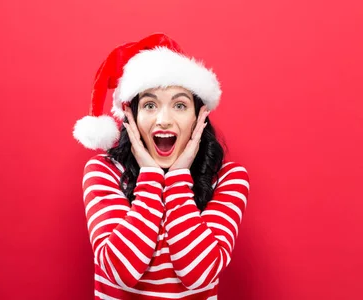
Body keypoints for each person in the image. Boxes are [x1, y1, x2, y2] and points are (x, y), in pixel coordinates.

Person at [73, 33, 250, 299]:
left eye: (179, 105)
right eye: (150, 105)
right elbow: (120, 270)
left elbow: (199, 272)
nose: (164, 120)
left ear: (199, 117)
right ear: (130, 116)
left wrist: (178, 177)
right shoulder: (103, 172)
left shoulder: (228, 179)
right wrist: (150, 176)